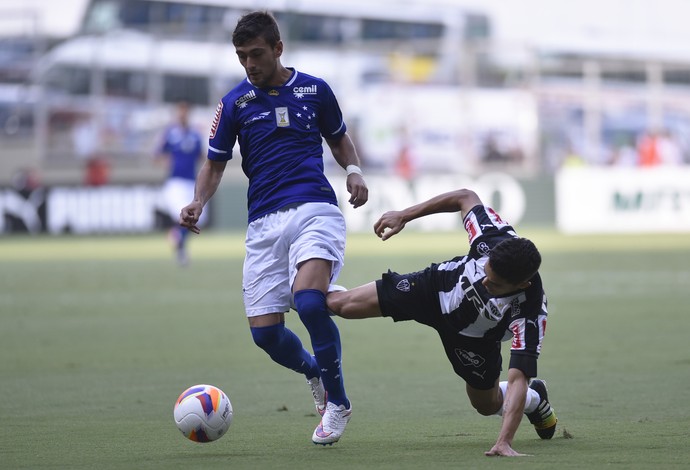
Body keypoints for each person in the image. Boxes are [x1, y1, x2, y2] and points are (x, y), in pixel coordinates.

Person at [179, 11, 368, 445]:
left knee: (309, 302)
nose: (249, 64)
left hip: (315, 210)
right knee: (265, 334)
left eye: (257, 54)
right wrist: (197, 200)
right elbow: (214, 163)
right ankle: (314, 372)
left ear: (278, 48)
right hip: (263, 223)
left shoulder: (315, 90)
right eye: (242, 56)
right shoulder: (233, 104)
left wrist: (353, 170)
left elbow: (338, 136)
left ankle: (337, 403)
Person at [326, 188, 557, 457]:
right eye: (486, 271)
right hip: (434, 288)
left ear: (521, 285)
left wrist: (504, 440)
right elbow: (465, 196)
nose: (484, 282)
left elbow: (518, 379)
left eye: (494, 284)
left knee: (486, 404)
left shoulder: (530, 312)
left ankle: (535, 399)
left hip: (473, 342)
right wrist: (404, 215)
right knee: (339, 305)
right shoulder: (492, 235)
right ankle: (287, 291)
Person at [156, 101, 205, 266]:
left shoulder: (196, 135)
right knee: (182, 216)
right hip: (175, 182)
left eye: (185, 111)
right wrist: (166, 162)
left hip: (191, 182)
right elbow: (158, 153)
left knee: (195, 219)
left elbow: (201, 156)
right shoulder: (170, 133)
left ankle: (177, 240)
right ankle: (180, 248)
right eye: (180, 111)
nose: (182, 114)